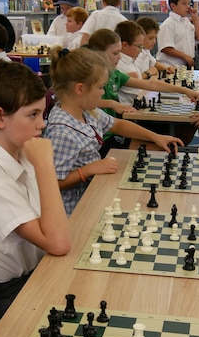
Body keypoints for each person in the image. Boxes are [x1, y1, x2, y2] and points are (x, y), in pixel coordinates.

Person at [0, 62, 70, 321]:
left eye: (42, 114)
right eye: (33, 115)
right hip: (14, 294)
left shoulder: (22, 154)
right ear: (0, 118)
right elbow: (58, 243)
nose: (42, 124)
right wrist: (45, 164)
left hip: (41, 271)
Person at [43, 47, 183, 214]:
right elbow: (54, 181)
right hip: (73, 211)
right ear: (80, 89)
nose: (103, 94)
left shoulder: (87, 112)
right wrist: (88, 170)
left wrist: (156, 137)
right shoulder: (62, 132)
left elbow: (117, 125)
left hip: (93, 191)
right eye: (100, 88)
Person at [87, 28, 199, 113]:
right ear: (97, 53)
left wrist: (185, 91)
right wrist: (111, 103)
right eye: (115, 53)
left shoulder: (114, 73)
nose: (120, 57)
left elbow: (151, 84)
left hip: (114, 125)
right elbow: (81, 102)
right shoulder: (88, 77)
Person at [156, 0, 199, 68]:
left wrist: (195, 19)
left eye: (189, 3)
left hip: (185, 67)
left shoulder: (186, 22)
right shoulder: (168, 24)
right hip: (170, 67)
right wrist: (184, 56)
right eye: (184, 4)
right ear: (173, 6)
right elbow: (166, 48)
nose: (188, 7)